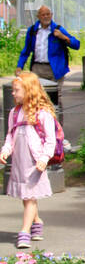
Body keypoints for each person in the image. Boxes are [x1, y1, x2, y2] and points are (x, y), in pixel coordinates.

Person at [0, 71, 57, 249]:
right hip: (19, 161)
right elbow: (10, 135)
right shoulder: (14, 113)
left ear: (28, 91)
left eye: (16, 90)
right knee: (26, 197)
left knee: (30, 197)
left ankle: (24, 231)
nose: (13, 93)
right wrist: (5, 150)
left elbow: (50, 140)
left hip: (35, 162)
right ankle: (37, 221)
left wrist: (44, 158)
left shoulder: (43, 113)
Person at [16, 5, 79, 96]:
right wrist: (19, 66)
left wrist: (63, 37)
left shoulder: (58, 29)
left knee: (54, 98)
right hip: (37, 68)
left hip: (55, 69)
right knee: (35, 97)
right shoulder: (32, 31)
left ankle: (56, 110)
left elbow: (76, 45)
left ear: (51, 15)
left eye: (48, 14)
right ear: (38, 16)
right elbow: (26, 51)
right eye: (43, 15)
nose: (46, 17)